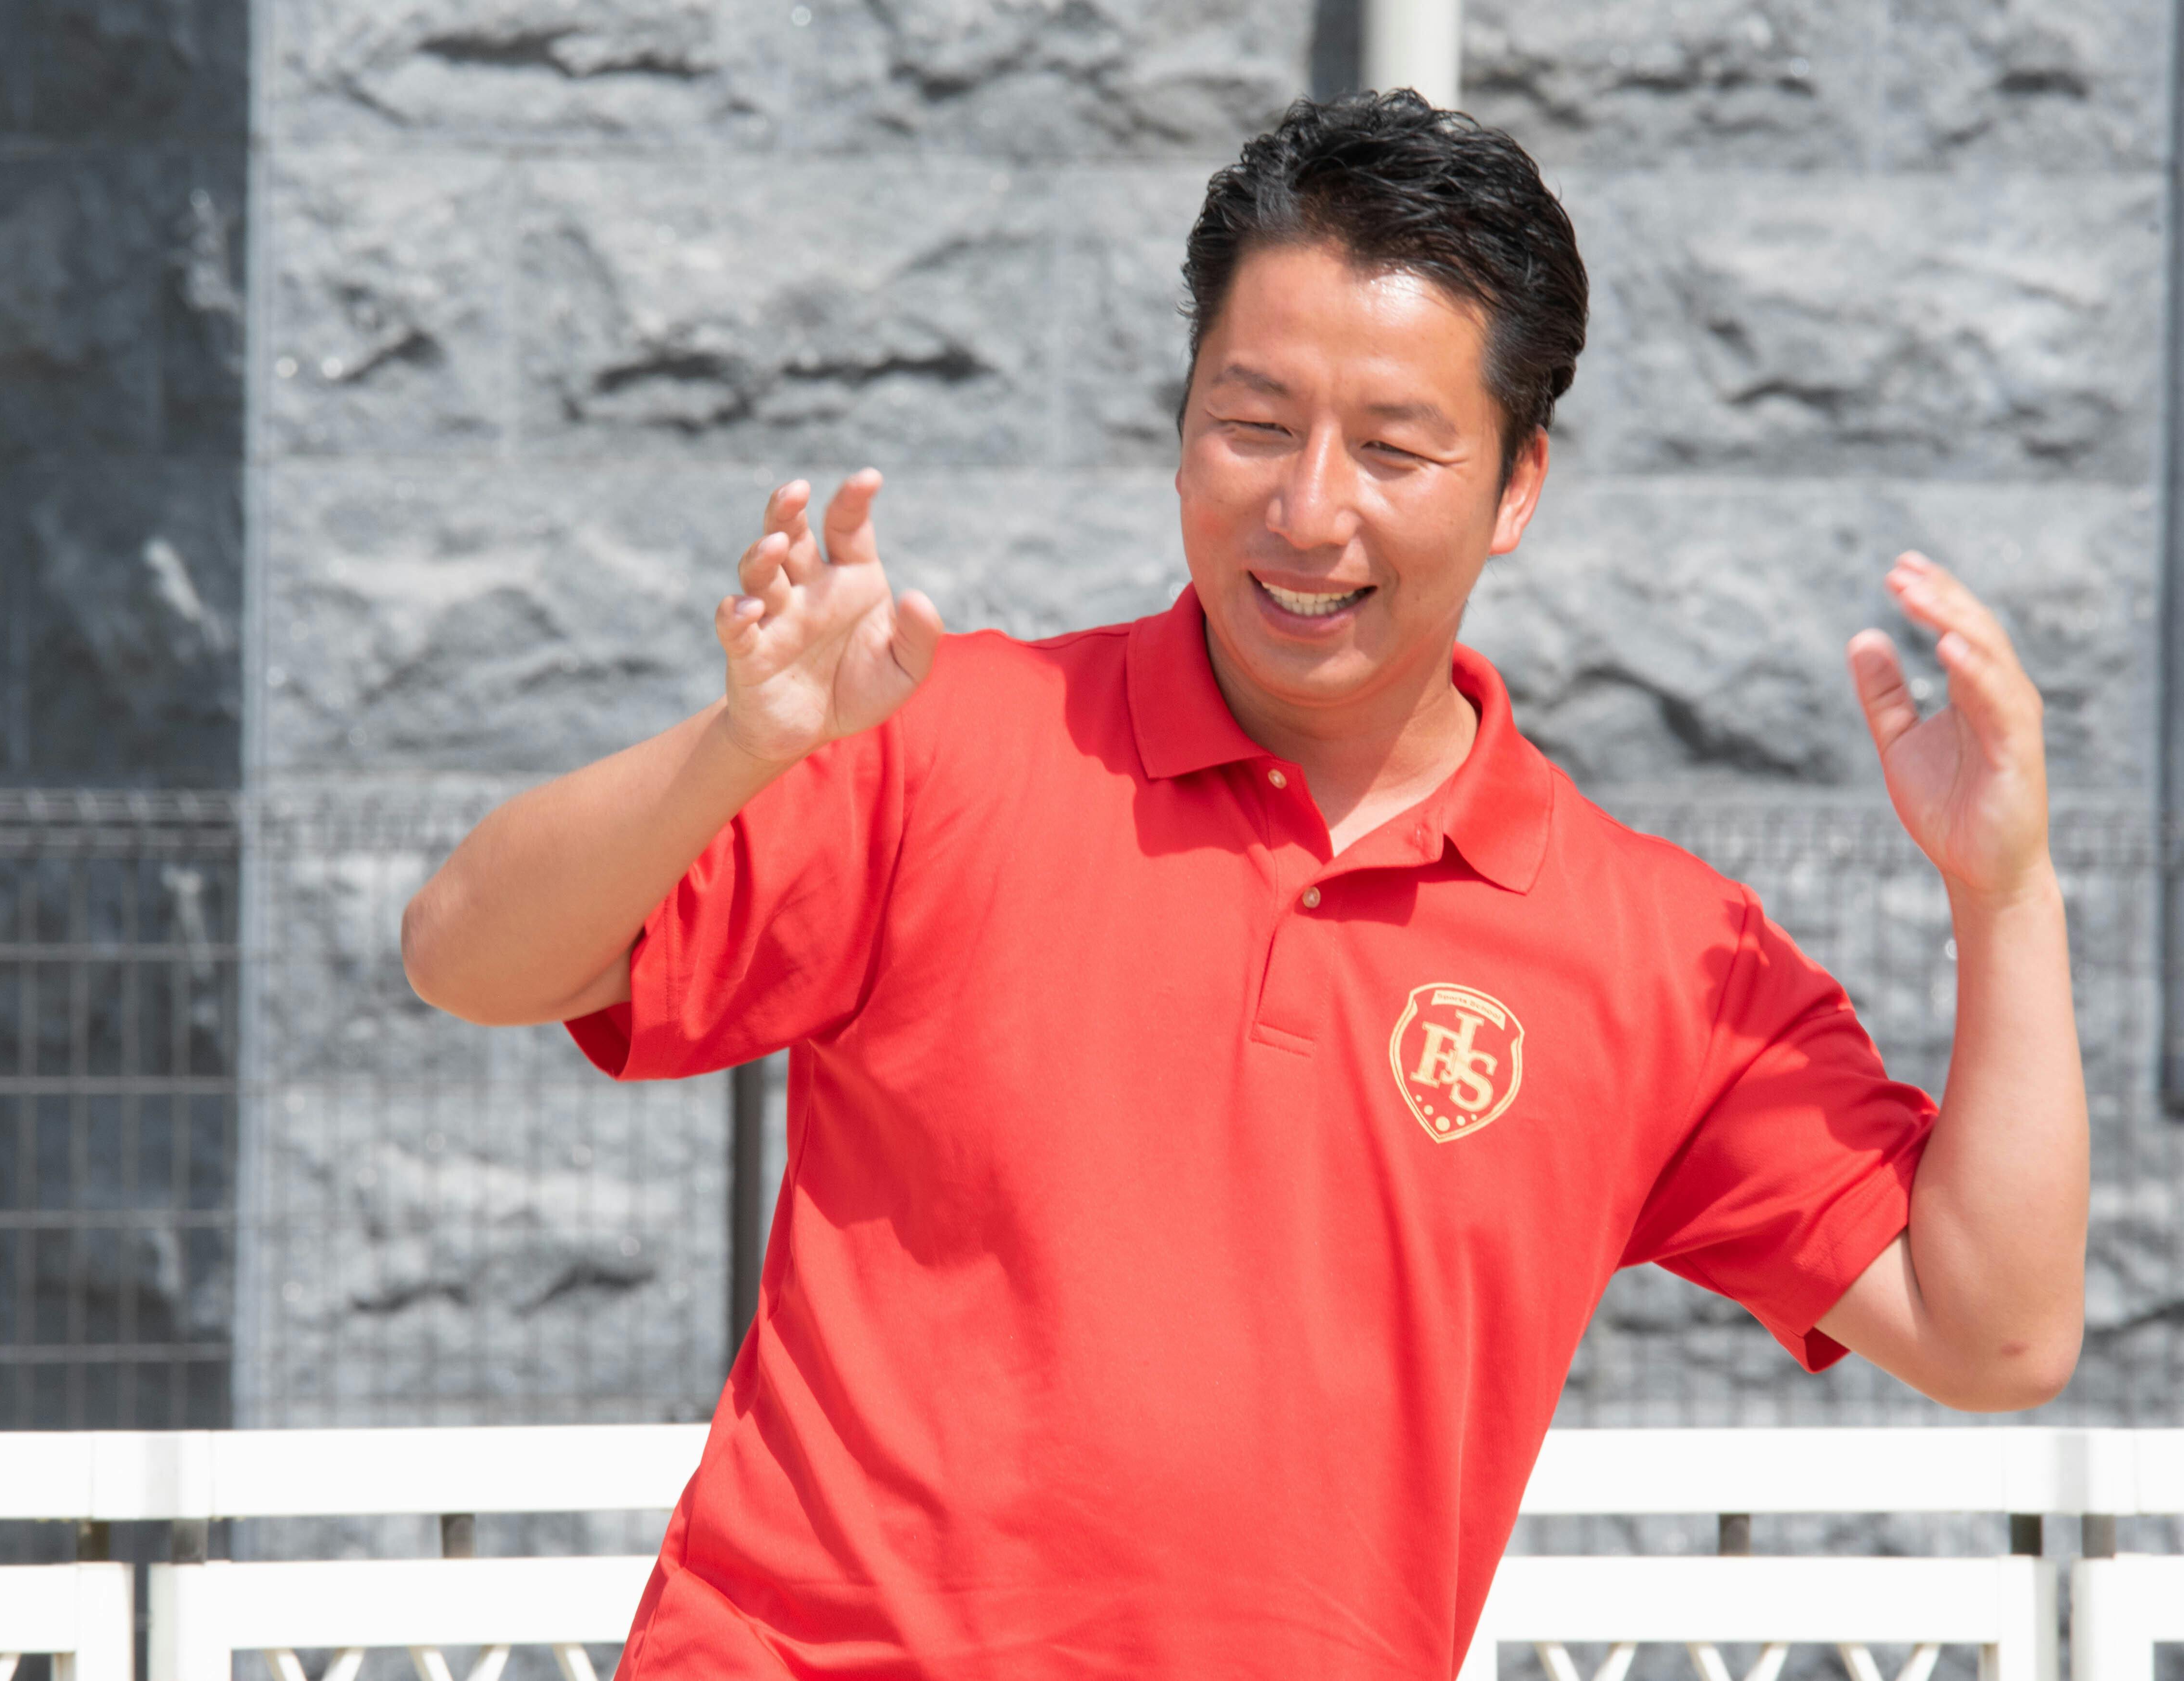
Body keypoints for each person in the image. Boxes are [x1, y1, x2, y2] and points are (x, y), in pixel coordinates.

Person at [402, 92, 2087, 1680]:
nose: (1307, 509)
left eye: (1395, 449)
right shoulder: (944, 741)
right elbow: (464, 959)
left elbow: (1991, 1334)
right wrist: (742, 748)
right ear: (1182, 424)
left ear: (1518, 487)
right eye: (1254, 425)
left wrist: (2003, 890)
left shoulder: (1655, 953)